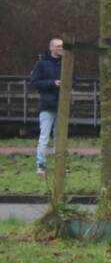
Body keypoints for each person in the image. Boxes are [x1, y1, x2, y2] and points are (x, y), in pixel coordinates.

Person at [29, 37, 64, 174]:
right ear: (51, 48)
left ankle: (60, 164)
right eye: (58, 46)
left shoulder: (66, 63)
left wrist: (67, 84)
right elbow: (34, 82)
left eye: (62, 46)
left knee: (60, 137)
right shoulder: (42, 64)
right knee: (44, 137)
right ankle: (41, 164)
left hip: (62, 105)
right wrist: (52, 83)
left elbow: (74, 80)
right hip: (47, 105)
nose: (61, 48)